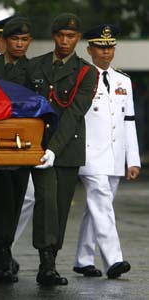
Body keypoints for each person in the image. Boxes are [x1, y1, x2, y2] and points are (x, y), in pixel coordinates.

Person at [26, 13, 98, 286]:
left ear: (78, 38)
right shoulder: (35, 66)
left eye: (71, 36)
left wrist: (54, 148)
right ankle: (46, 264)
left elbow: (75, 113)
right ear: (54, 35)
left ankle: (51, 259)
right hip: (38, 146)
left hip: (66, 148)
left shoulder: (86, 71)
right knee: (46, 202)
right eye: (60, 35)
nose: (65, 41)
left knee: (60, 208)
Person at [73, 24, 140, 279]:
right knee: (101, 203)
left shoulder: (123, 80)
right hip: (89, 154)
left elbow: (129, 122)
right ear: (90, 49)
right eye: (100, 47)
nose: (106, 51)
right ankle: (114, 259)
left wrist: (132, 159)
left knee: (97, 207)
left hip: (114, 156)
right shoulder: (80, 77)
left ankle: (83, 259)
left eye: (110, 46)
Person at [0, 16, 32, 284]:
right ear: (4, 41)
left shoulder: (34, 68)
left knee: (17, 200)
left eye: (24, 39)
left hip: (24, 144)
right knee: (4, 200)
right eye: (15, 39)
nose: (20, 44)